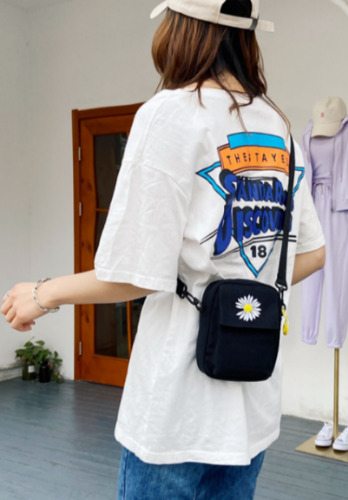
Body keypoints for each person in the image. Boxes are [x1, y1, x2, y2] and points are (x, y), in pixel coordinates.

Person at [1, 0, 325, 498]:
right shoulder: (279, 126)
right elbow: (313, 253)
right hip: (253, 403)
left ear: (183, 28)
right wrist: (242, 290)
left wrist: (42, 294)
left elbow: (134, 273)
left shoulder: (170, 114)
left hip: (175, 410)